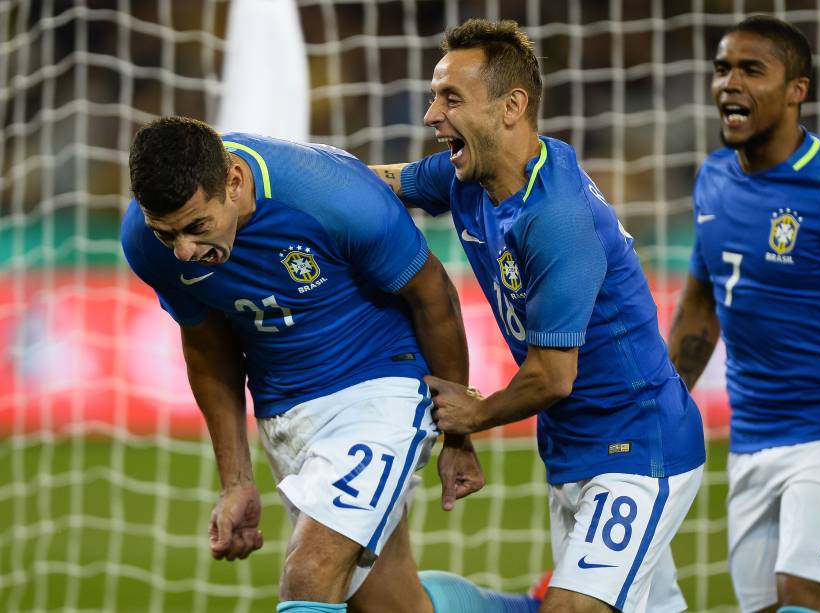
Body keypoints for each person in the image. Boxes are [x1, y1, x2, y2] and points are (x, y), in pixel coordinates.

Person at [372, 19, 706, 613]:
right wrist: (294, 178)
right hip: (572, 451)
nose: (430, 115)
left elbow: (555, 376)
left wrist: (474, 415)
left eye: (451, 98)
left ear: (511, 106)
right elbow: (381, 185)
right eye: (433, 96)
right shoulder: (469, 179)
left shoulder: (557, 218)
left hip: (636, 450)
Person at [120, 116, 490, 613]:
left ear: (232, 181)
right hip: (284, 411)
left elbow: (434, 297)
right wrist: (236, 481)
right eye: (167, 235)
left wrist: (458, 437)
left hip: (380, 385)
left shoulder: (331, 195)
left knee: (308, 574)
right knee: (390, 607)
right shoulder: (145, 243)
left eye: (196, 227)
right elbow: (209, 351)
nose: (184, 251)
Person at [667, 15, 820, 613]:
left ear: (796, 90)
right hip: (752, 440)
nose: (730, 83)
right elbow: (701, 308)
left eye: (751, 70)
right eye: (723, 68)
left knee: (806, 604)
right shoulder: (713, 180)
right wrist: (665, 409)